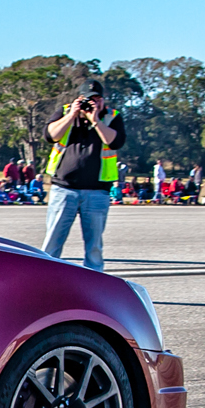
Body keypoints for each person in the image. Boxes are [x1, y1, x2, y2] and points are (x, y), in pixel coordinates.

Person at [41, 79, 127, 270]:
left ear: (103, 100)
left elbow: (115, 142)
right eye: (88, 99)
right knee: (52, 241)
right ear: (79, 99)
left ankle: (94, 281)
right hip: (64, 188)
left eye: (96, 99)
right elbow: (50, 135)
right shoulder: (65, 112)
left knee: (94, 246)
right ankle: (45, 277)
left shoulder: (112, 117)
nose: (92, 103)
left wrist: (95, 120)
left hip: (97, 191)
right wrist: (72, 114)